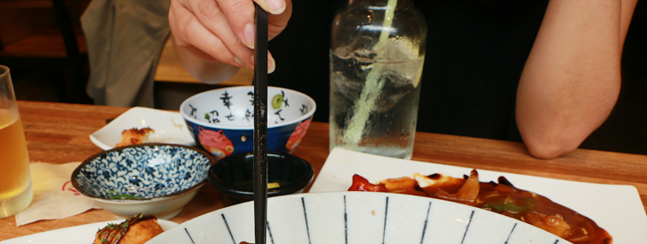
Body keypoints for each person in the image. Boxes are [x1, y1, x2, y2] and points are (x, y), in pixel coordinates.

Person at [168, 0, 638, 159]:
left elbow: (554, 130)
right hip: (294, 177)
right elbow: (206, 66)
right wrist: (201, 27)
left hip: (478, 197)